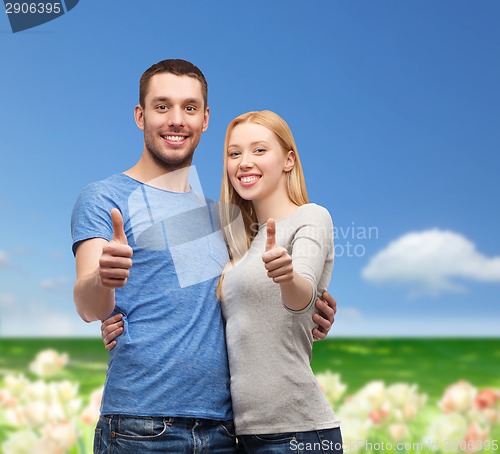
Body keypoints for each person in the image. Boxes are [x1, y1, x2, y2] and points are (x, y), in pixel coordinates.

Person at [72, 59, 337, 453]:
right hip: (140, 426)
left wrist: (315, 304)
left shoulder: (227, 218)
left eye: (189, 108)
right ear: (140, 115)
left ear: (205, 119)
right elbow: (89, 305)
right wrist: (103, 281)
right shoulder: (104, 197)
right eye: (162, 107)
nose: (176, 119)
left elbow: (256, 294)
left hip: (225, 431)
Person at [218, 110, 342, 452]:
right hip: (240, 434)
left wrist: (287, 277)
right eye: (234, 153)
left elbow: (302, 295)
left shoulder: (311, 216)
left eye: (259, 150)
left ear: (288, 160)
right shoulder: (240, 244)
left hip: (298, 433)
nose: (244, 162)